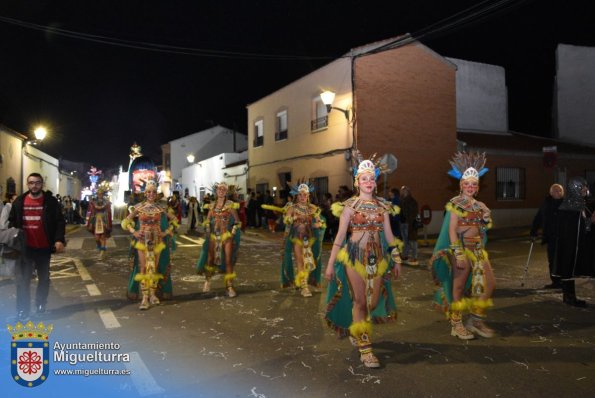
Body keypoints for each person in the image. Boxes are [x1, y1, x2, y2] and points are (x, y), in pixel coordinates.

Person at [324, 156, 403, 369]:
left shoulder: (383, 207)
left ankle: (355, 328)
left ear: (375, 182)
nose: (368, 182)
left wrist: (396, 258)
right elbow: (340, 237)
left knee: (373, 302)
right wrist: (330, 264)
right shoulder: (349, 206)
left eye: (371, 178)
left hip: (377, 259)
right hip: (354, 257)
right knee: (360, 301)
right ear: (357, 182)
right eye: (364, 178)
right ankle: (366, 349)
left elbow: (388, 235)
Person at [430, 152, 495, 340]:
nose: (470, 187)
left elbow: (482, 230)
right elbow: (452, 231)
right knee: (457, 287)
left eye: (474, 184)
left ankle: (475, 319)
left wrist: (485, 220)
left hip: (477, 249)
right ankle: (456, 324)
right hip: (461, 248)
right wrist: (458, 253)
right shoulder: (455, 203)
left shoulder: (480, 205)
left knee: (489, 284)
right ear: (461, 185)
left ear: (478, 186)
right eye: (467, 183)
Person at [9, 173, 66, 319]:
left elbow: (60, 221)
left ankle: (41, 304)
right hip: (25, 248)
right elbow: (12, 223)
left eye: (38, 183)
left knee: (44, 278)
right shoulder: (19, 202)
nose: (34, 185)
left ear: (42, 184)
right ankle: (22, 310)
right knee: (23, 280)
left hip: (44, 247)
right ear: (28, 184)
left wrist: (59, 239)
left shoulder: (50, 202)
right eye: (31, 183)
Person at [121, 180, 178, 310]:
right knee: (143, 269)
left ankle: (153, 295)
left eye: (153, 191)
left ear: (156, 194)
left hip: (157, 241)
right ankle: (145, 298)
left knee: (154, 268)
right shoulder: (138, 207)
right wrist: (134, 232)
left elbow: (174, 220)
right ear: (145, 193)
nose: (151, 194)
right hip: (142, 242)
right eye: (149, 192)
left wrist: (166, 233)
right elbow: (126, 221)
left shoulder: (161, 208)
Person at [270, 182, 325, 297]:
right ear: (297, 196)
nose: (302, 197)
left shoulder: (313, 208)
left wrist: (318, 225)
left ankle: (303, 281)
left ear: (308, 195)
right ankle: (304, 286)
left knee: (309, 261)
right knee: (301, 261)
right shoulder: (292, 208)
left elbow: (320, 222)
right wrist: (292, 218)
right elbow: (286, 219)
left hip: (310, 239)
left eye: (305, 195)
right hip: (297, 239)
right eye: (300, 195)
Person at [553, 177, 595, 307]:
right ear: (576, 188)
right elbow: (575, 228)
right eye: (583, 187)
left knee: (570, 268)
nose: (586, 190)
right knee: (568, 267)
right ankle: (569, 297)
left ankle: (570, 296)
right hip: (569, 245)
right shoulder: (571, 207)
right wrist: (590, 221)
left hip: (572, 244)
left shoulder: (577, 204)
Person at [196, 182, 242, 297]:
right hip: (213, 236)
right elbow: (207, 220)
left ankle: (229, 286)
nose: (221, 191)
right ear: (216, 192)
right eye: (219, 189)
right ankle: (207, 281)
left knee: (228, 260)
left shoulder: (230, 205)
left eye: (223, 189)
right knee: (210, 260)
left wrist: (232, 232)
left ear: (226, 192)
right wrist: (207, 227)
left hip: (226, 236)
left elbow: (237, 222)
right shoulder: (212, 206)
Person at [530, 183, 564, 289]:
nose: (557, 192)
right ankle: (556, 281)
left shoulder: (566, 204)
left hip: (563, 237)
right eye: (555, 190)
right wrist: (533, 231)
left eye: (559, 191)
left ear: (562, 193)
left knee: (562, 260)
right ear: (551, 192)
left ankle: (564, 281)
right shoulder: (546, 203)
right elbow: (539, 217)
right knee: (552, 260)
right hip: (550, 236)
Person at [86, 186, 113, 259]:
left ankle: (102, 252)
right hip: (96, 221)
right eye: (98, 193)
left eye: (101, 193)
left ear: (103, 194)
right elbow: (92, 210)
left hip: (104, 221)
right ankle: (101, 248)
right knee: (97, 238)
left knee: (103, 237)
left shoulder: (106, 202)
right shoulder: (94, 201)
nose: (99, 195)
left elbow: (108, 211)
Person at [399, 186, 419, 265]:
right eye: (402, 191)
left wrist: (409, 221)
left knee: (412, 240)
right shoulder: (401, 200)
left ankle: (414, 256)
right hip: (402, 223)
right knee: (405, 241)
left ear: (408, 192)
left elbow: (413, 213)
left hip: (409, 223)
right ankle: (405, 255)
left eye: (404, 191)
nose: (402, 192)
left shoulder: (412, 201)